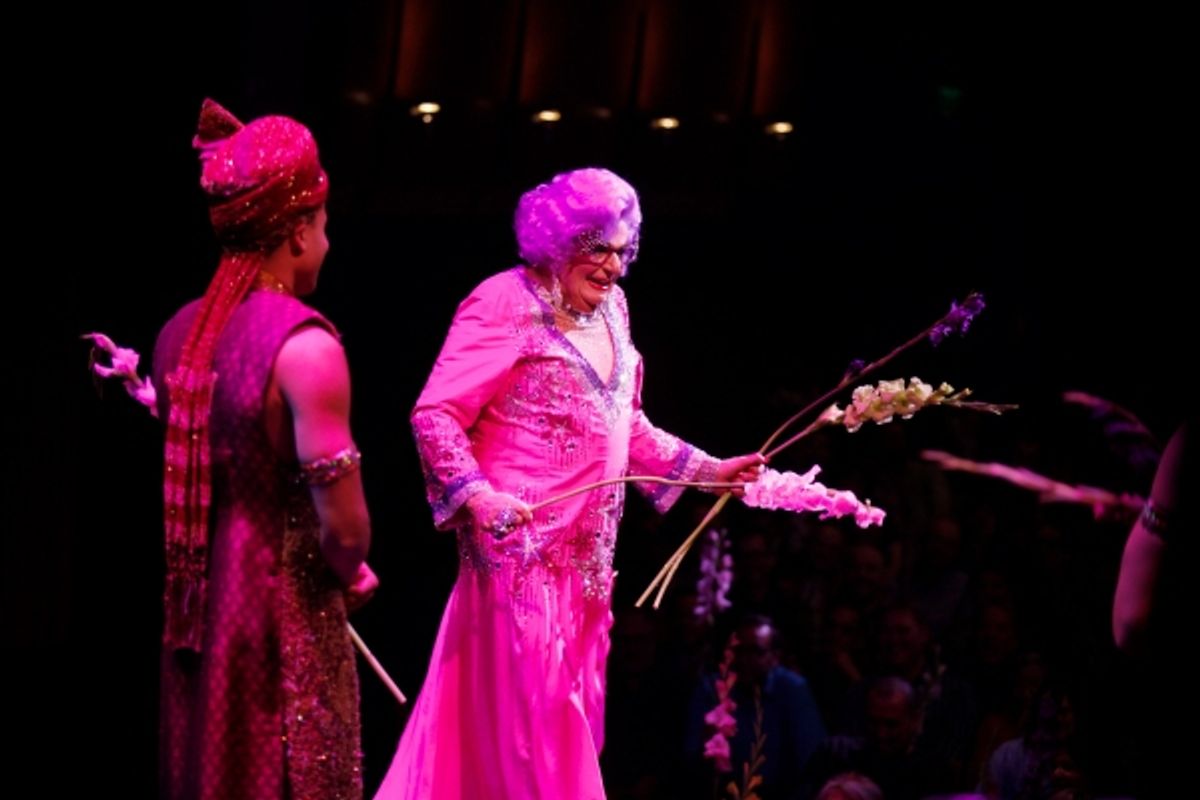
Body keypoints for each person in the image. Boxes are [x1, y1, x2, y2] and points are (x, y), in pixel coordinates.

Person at [375, 167, 763, 799]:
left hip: (587, 575)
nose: (613, 266)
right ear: (556, 241)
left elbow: (625, 426)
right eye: (597, 247)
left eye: (621, 251)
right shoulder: (502, 302)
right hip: (518, 559)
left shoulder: (614, 310)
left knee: (565, 730)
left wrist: (709, 471)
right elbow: (436, 414)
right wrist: (478, 496)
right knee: (528, 738)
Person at [152, 98, 376, 799]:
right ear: (299, 232)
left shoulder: (177, 335)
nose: (328, 244)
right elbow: (346, 531)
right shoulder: (305, 346)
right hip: (282, 627)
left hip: (198, 625)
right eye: (325, 226)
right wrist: (349, 571)